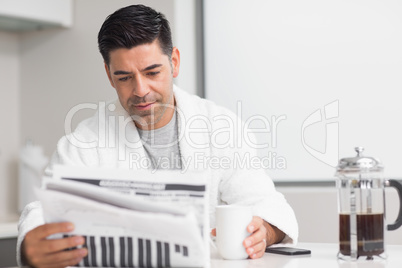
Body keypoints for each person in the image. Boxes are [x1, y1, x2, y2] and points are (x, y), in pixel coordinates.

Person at [17, 4, 298, 268]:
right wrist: (30, 245)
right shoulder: (84, 141)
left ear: (174, 62)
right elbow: (44, 209)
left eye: (152, 72)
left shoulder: (221, 126)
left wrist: (267, 231)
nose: (140, 90)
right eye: (125, 77)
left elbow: (266, 204)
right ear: (109, 74)